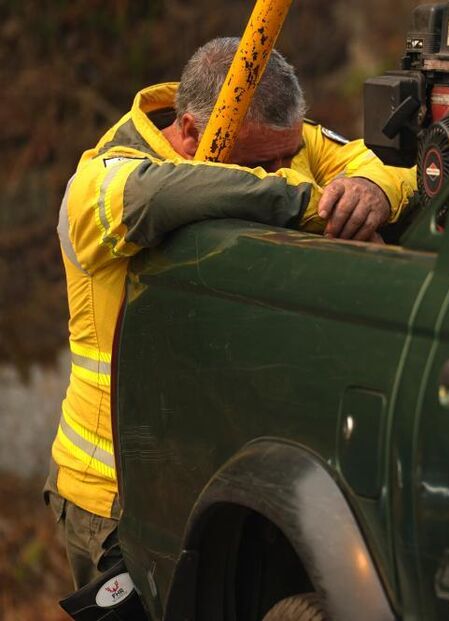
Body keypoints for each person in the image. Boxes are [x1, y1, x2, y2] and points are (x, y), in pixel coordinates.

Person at [46, 37, 416, 589]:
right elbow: (159, 197)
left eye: (287, 156)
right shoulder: (103, 182)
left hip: (211, 484)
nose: (280, 166)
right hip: (114, 499)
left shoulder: (273, 139)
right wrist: (311, 203)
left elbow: (381, 164)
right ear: (194, 131)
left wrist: (372, 188)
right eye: (261, 162)